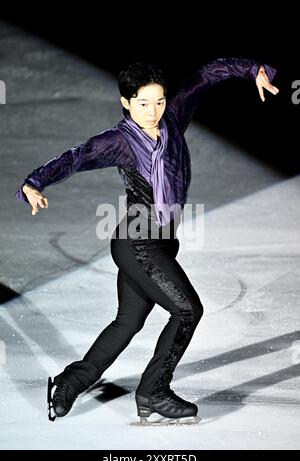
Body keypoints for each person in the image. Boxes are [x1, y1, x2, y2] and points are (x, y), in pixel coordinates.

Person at [15, 57, 279, 425]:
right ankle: (153, 391)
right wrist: (34, 182)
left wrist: (254, 70)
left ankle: (68, 383)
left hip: (159, 240)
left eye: (159, 101)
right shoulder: (119, 141)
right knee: (188, 310)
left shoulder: (172, 116)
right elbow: (76, 157)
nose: (153, 111)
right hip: (138, 241)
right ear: (126, 102)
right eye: (142, 103)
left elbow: (207, 74)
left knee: (127, 322)